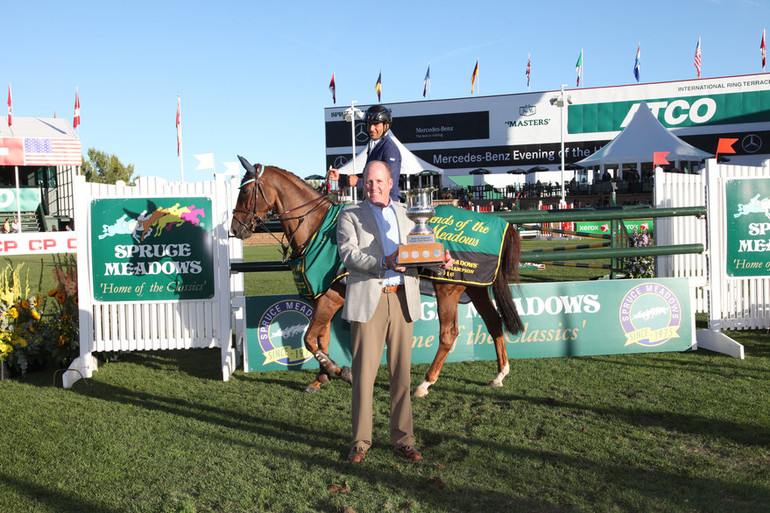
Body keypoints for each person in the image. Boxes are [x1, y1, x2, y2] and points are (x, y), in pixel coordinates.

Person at [336, 160, 453, 463]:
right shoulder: (350, 214)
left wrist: (438, 258)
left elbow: (417, 254)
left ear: (390, 183)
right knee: (364, 377)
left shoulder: (405, 212)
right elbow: (348, 255)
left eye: (378, 181)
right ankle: (360, 442)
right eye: (368, 181)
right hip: (369, 301)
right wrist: (383, 262)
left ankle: (403, 440)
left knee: (401, 375)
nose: (372, 186)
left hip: (403, 299)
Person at [328, 105, 403, 203]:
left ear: (386, 126)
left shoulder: (389, 149)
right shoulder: (374, 145)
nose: (371, 128)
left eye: (376, 124)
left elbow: (388, 181)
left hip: (387, 203)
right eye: (369, 124)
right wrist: (341, 178)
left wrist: (358, 183)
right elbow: (369, 176)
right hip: (373, 201)